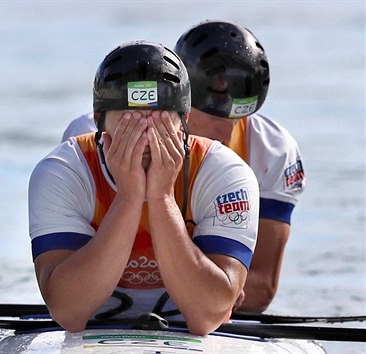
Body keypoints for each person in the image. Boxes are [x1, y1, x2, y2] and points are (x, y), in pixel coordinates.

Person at [61, 21, 306, 313]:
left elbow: (260, 289)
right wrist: (206, 286)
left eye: (239, 118)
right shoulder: (90, 136)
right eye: (214, 116)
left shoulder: (274, 150)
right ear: (180, 103)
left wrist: (206, 293)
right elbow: (68, 268)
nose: (226, 135)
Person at [29, 40, 259, 335]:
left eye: (161, 117)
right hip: (93, 324)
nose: (145, 135)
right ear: (99, 121)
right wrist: (128, 197)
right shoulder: (64, 171)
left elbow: (207, 316)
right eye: (129, 119)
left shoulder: (225, 173)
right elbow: (69, 313)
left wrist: (162, 198)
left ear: (185, 120)